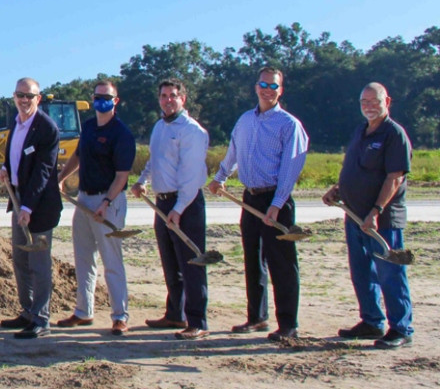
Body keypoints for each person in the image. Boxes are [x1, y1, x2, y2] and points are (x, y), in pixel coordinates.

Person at [208, 66, 308, 342]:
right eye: (263, 84)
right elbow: (233, 153)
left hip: (277, 200)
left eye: (273, 86)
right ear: (256, 87)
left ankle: (288, 324)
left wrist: (276, 203)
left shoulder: (289, 125)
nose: (267, 89)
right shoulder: (245, 121)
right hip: (250, 198)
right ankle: (257, 317)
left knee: (282, 263)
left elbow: (291, 168)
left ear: (280, 90)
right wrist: (219, 177)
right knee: (253, 259)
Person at [323, 82, 414, 349]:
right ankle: (372, 321)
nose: (369, 106)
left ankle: (401, 328)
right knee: (361, 271)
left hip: (381, 220)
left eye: (375, 101)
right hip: (354, 216)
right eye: (364, 102)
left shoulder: (394, 134)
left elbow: (394, 177)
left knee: (390, 273)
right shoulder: (360, 131)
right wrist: (337, 190)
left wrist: (376, 211)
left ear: (388, 101)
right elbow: (354, 167)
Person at [131, 80, 211, 340]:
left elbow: (190, 176)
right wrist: (142, 181)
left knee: (191, 264)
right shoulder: (159, 127)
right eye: (163, 96)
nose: (167, 100)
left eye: (173, 96)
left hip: (186, 204)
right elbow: (155, 160)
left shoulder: (192, 132)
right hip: (163, 202)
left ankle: (197, 321)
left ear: (183, 99)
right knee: (170, 263)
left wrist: (178, 209)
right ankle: (175, 313)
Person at [56, 80, 134, 334]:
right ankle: (83, 311)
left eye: (107, 97)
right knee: (83, 258)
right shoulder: (88, 127)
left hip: (108, 202)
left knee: (112, 261)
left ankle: (120, 315)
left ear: (116, 100)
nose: (102, 101)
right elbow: (78, 156)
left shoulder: (121, 134)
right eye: (98, 96)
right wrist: (60, 179)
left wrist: (106, 202)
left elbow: (122, 176)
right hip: (84, 199)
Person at [0, 78, 62, 339]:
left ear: (39, 98)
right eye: (20, 95)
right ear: (14, 96)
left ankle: (41, 318)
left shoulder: (46, 128)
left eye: (30, 96)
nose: (24, 100)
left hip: (39, 204)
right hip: (18, 199)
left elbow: (43, 172)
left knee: (39, 261)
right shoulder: (17, 122)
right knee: (21, 259)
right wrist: (6, 170)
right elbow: (16, 156)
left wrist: (28, 207)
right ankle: (27, 311)